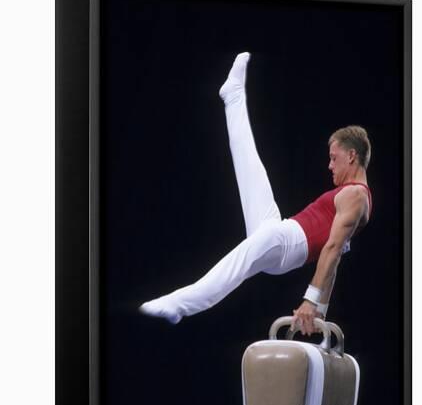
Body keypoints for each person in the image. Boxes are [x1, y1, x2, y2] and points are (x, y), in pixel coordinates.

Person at [139, 53, 372, 335]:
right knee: (250, 167)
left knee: (236, 262)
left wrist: (311, 300)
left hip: (286, 244)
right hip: (280, 230)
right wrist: (320, 312)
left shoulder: (355, 195)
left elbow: (332, 250)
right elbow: (333, 260)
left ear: (352, 156)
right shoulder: (353, 199)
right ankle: (234, 95)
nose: (329, 165)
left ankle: (179, 305)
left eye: (334, 158)